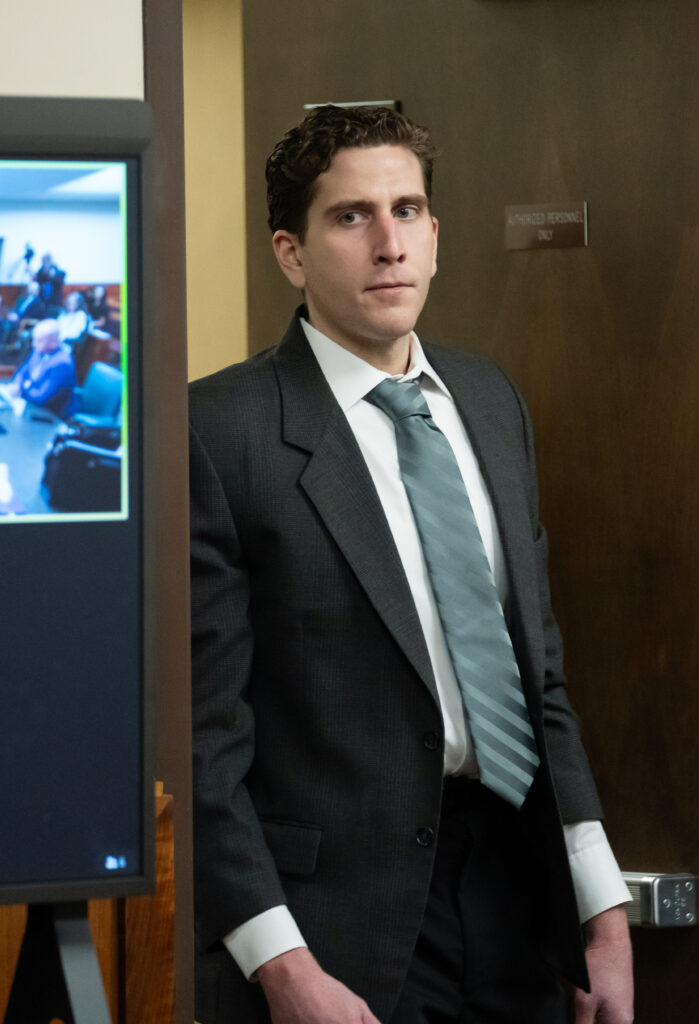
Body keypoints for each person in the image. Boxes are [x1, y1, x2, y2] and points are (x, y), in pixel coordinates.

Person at [190, 105, 634, 1024]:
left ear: (434, 235)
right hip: (336, 934)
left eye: (407, 211)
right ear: (290, 252)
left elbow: (536, 679)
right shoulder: (217, 434)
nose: (387, 243)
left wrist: (603, 910)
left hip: (517, 899)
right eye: (351, 217)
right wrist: (281, 966)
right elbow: (202, 741)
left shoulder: (487, 398)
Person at [9, 318, 76, 416]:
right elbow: (23, 370)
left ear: (54, 341)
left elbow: (41, 398)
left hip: (49, 415)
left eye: (39, 340)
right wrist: (17, 384)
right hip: (31, 403)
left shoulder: (62, 363)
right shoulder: (40, 350)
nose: (34, 344)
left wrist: (21, 389)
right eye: (34, 339)